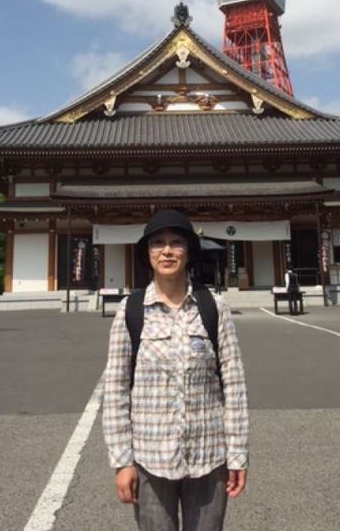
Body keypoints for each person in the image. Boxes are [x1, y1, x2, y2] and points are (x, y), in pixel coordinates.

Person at [102, 209, 249, 531]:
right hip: (150, 458)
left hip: (209, 456)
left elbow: (234, 385)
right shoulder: (131, 311)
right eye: (157, 243)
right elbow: (114, 389)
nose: (167, 251)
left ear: (189, 252)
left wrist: (237, 455)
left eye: (176, 243)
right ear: (148, 253)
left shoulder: (214, 308)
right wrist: (122, 461)